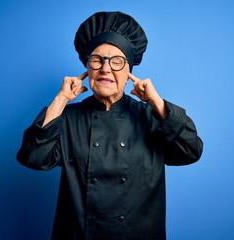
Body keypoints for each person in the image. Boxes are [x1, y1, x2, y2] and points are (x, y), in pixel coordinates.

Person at [16, 11, 203, 240]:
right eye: (97, 60)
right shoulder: (68, 118)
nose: (106, 68)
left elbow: (192, 150)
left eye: (117, 61)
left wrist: (158, 103)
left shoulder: (152, 117)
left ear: (129, 72)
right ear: (88, 68)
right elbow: (33, 157)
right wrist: (61, 99)